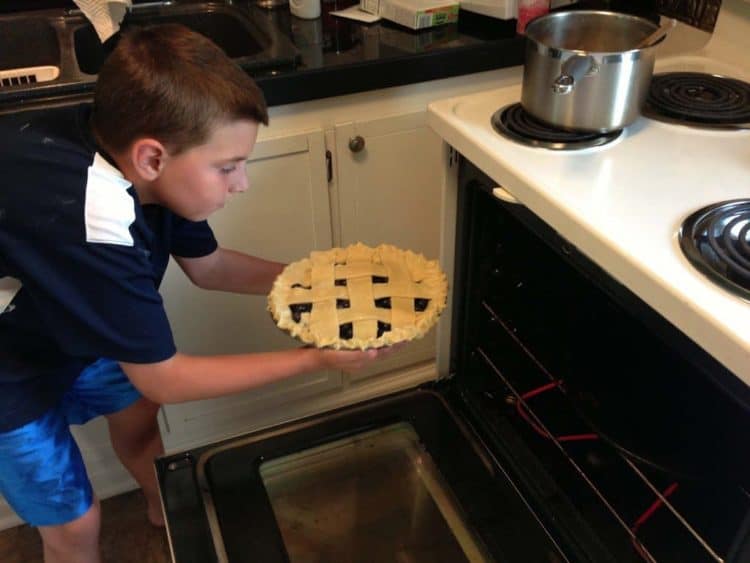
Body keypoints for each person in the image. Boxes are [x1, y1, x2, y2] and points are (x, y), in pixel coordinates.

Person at [0, 23, 393, 563]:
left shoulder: (147, 174)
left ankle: (167, 518)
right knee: (74, 522)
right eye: (228, 167)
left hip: (69, 309)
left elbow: (209, 267)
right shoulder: (92, 221)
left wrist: (322, 283)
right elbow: (166, 374)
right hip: (9, 363)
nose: (242, 183)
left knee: (139, 420)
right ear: (153, 158)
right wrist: (315, 359)